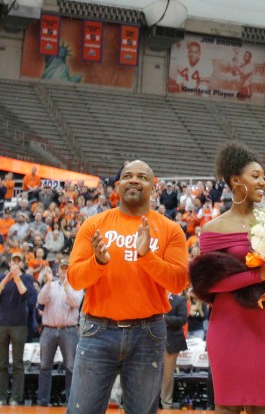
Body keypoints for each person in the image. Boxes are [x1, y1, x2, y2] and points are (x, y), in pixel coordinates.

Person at [189, 144, 265, 414]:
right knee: (226, 407)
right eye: (255, 176)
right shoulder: (212, 229)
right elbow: (209, 284)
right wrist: (257, 274)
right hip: (228, 325)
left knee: (261, 407)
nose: (263, 182)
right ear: (235, 180)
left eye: (263, 177)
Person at [66, 160, 189, 414]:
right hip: (97, 331)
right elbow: (76, 279)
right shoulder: (93, 225)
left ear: (153, 187)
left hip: (149, 333)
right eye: (127, 176)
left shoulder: (171, 230)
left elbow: (178, 282)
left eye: (142, 177)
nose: (134, 180)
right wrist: (97, 262)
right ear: (118, 185)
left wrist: (148, 257)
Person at [36, 261, 83, 406]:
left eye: (66, 269)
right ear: (57, 272)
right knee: (44, 366)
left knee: (70, 367)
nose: (63, 272)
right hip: (49, 329)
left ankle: (71, 401)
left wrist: (67, 285)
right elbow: (40, 300)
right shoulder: (51, 285)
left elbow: (75, 302)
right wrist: (48, 283)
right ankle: (42, 400)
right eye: (62, 269)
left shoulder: (77, 286)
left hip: (68, 330)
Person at [0, 252, 37, 406]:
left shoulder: (27, 278)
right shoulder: (2, 277)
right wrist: (6, 279)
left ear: (22, 263)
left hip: (19, 326)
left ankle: (16, 397)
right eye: (13, 260)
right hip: (2, 324)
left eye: (18, 260)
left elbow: (25, 294)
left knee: (17, 363)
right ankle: (1, 396)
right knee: (1, 364)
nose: (15, 262)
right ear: (9, 263)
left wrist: (16, 277)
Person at [161, 291, 188, 410]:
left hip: (171, 343)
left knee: (167, 375)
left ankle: (166, 404)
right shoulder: (155, 297)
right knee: (150, 375)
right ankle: (150, 403)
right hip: (152, 342)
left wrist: (163, 319)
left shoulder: (180, 300)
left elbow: (182, 320)